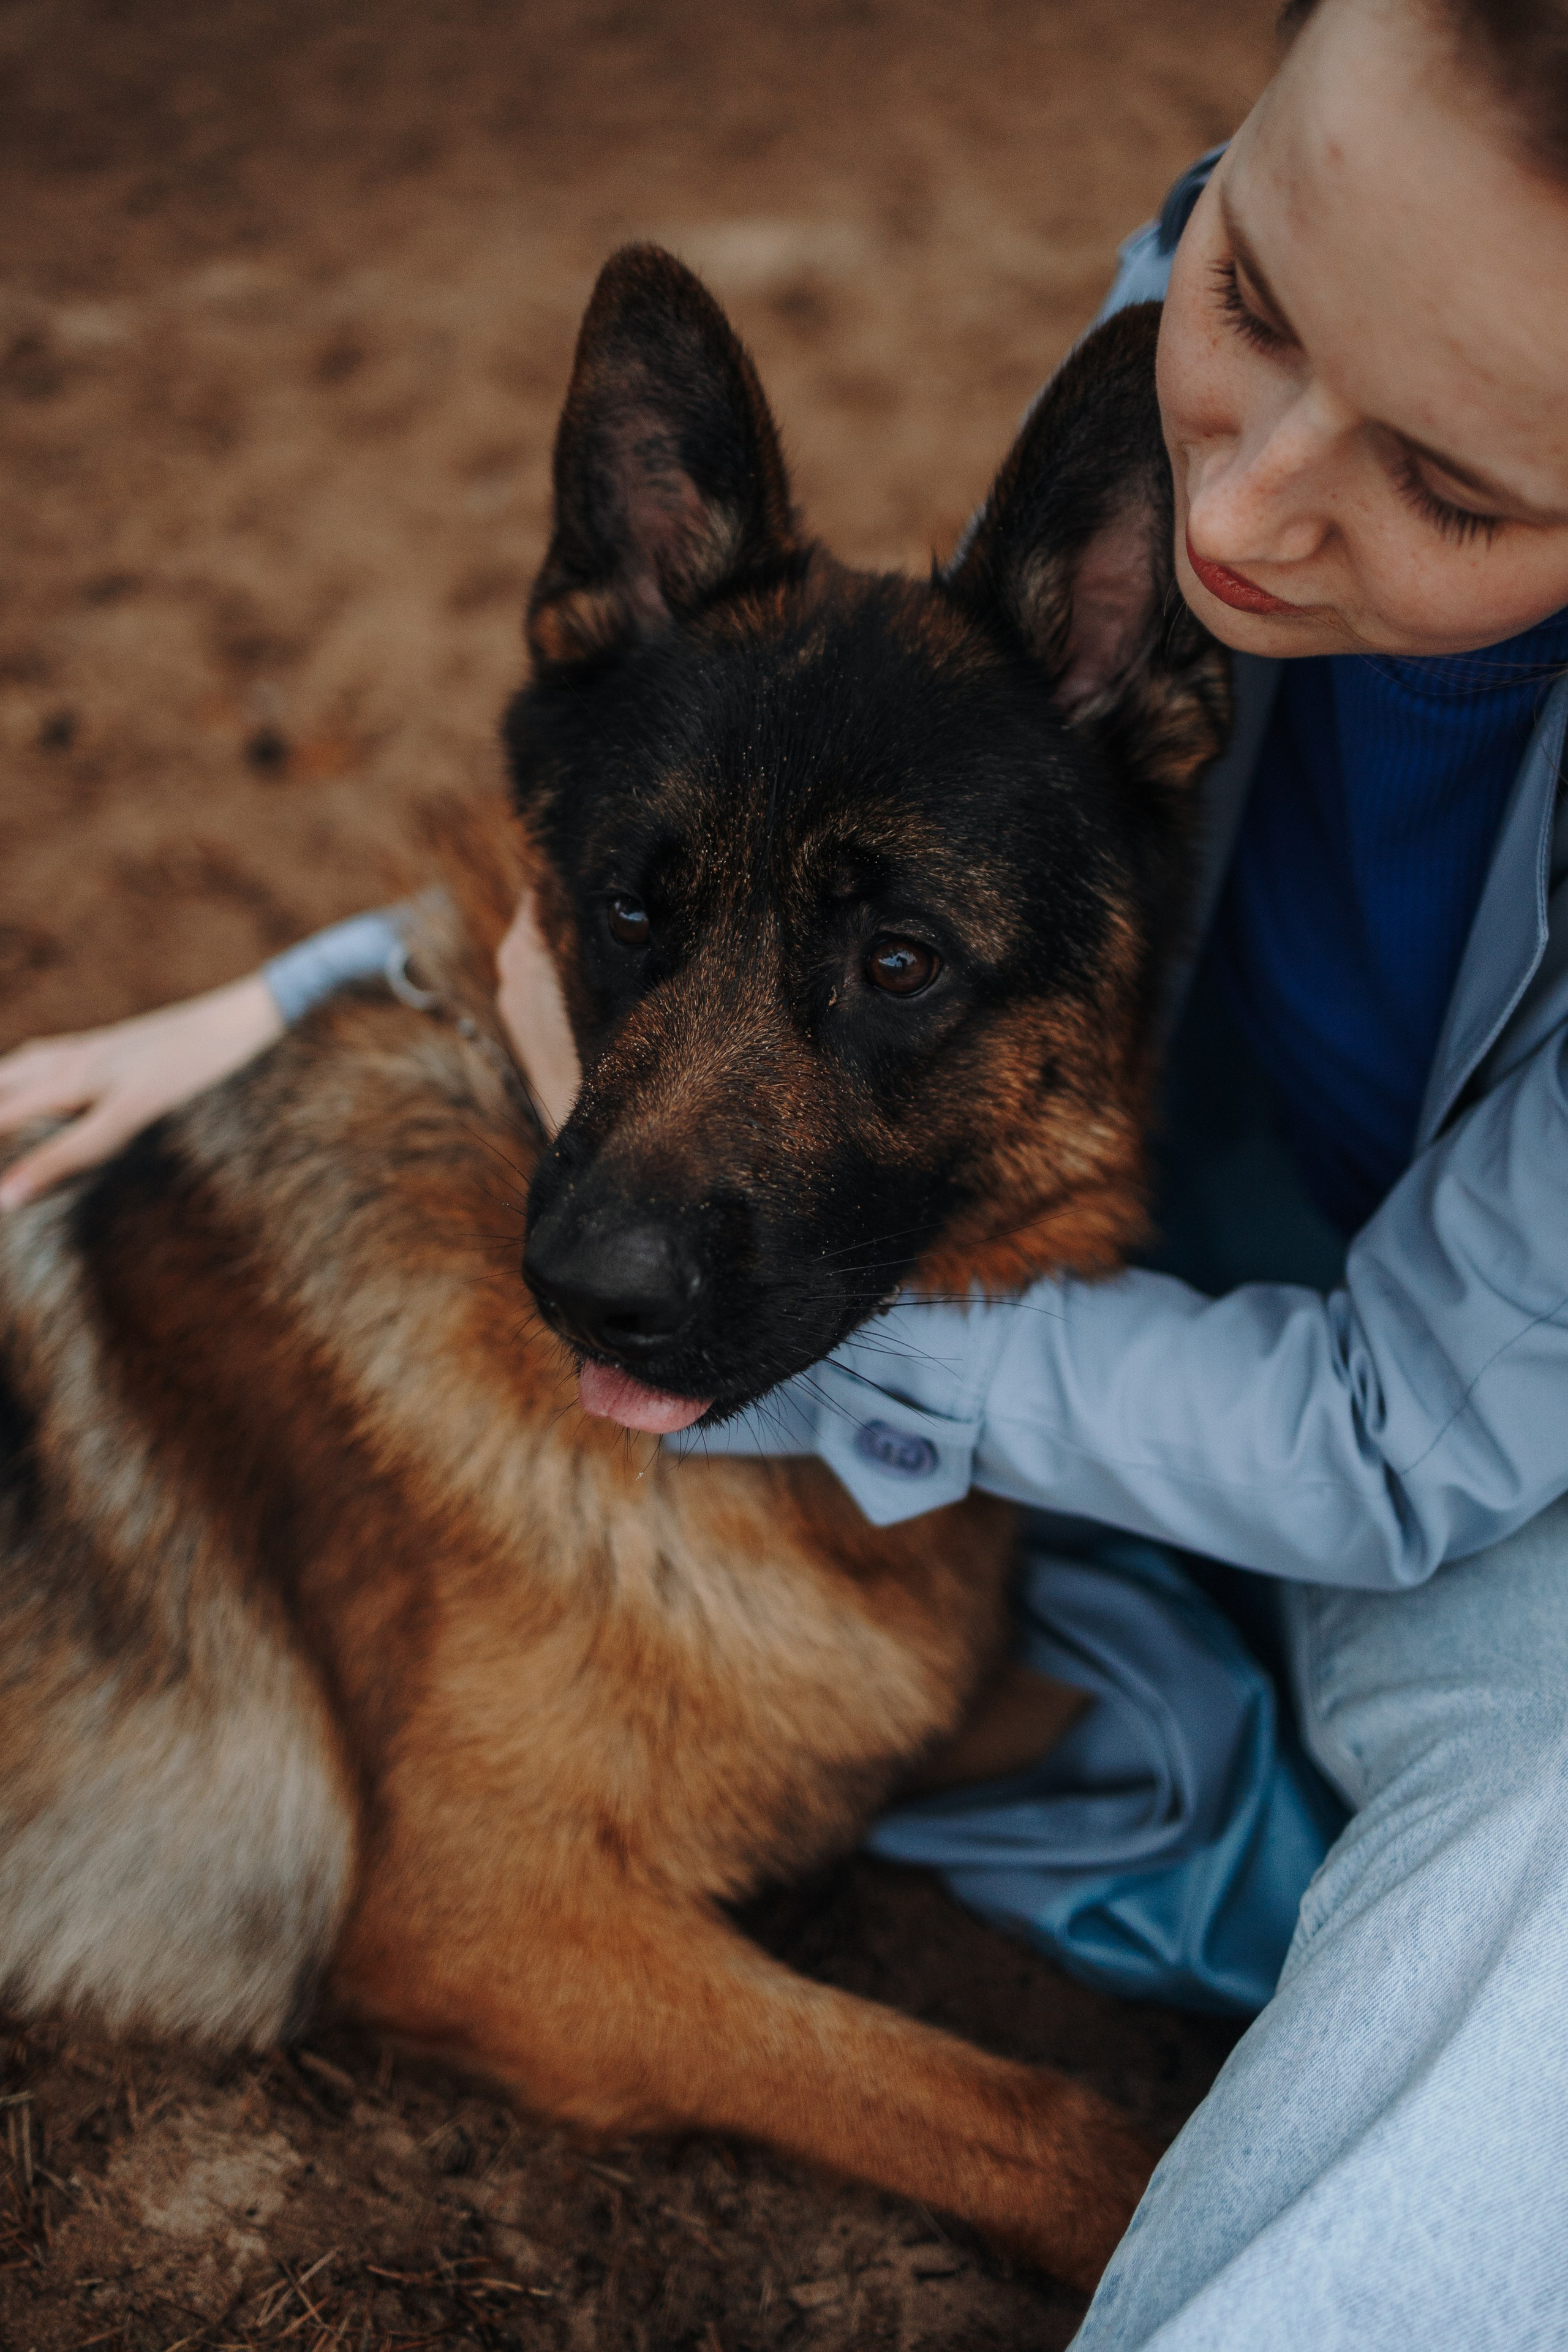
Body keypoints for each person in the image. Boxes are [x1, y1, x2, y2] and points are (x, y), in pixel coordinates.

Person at [5, 0, 1568, 2337]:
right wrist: (328, 984)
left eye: (1445, 486)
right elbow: (807, 754)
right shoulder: (1207, 406)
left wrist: (878, 1365)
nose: (1235, 515)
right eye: (1241, 292)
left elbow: (1403, 1441)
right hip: (1151, 1337)